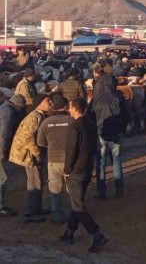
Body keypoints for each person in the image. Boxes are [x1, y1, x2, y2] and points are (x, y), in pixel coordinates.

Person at [60, 97, 108, 252]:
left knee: (78, 205)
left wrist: (67, 170)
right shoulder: (90, 123)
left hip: (76, 171)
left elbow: (71, 150)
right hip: (87, 168)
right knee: (77, 201)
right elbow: (94, 147)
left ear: (74, 108)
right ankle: (69, 231)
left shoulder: (74, 126)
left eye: (69, 107)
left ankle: (97, 234)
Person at [9, 96, 52, 223]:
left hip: (32, 153)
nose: (50, 102)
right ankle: (29, 213)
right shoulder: (34, 117)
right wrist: (37, 154)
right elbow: (28, 137)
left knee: (38, 181)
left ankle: (37, 208)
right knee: (34, 183)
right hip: (29, 155)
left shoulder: (40, 115)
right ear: (40, 103)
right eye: (47, 100)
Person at [36, 94, 72, 224]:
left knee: (55, 189)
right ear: (65, 106)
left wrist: (51, 145)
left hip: (53, 159)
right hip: (69, 159)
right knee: (72, 188)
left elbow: (40, 142)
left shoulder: (46, 122)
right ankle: (76, 212)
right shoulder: (72, 121)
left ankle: (57, 215)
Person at [91, 75, 124, 198]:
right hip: (116, 132)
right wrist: (123, 128)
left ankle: (101, 191)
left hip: (101, 133)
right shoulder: (119, 97)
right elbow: (126, 114)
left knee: (100, 162)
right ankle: (119, 188)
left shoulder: (96, 99)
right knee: (116, 160)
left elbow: (90, 116)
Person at [0, 94, 26, 217]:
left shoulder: (4, 107)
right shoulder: (9, 113)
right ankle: (0, 206)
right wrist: (2, 151)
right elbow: (4, 134)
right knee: (2, 178)